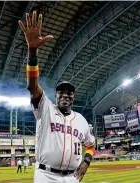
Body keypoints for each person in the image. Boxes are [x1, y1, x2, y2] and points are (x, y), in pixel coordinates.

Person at [18, 11, 96, 183]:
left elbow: (91, 145)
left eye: (69, 93)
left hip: (72, 177)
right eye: (61, 92)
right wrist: (32, 52)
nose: (65, 96)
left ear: (73, 98)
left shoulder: (81, 120)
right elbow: (32, 86)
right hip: (46, 175)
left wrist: (86, 162)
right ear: (56, 95)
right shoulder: (45, 108)